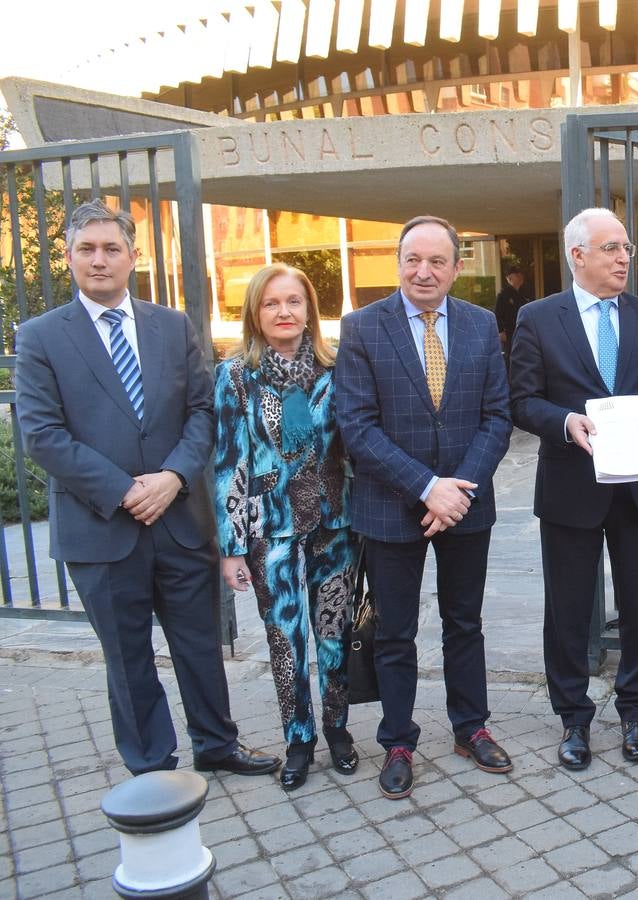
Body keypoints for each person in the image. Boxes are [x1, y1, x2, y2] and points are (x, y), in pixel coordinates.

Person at [15, 200, 279, 777]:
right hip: (102, 527)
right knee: (128, 655)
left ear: (133, 256)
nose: (100, 260)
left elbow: (203, 411)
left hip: (180, 521)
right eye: (87, 249)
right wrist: (125, 490)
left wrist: (173, 477)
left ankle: (217, 745)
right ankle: (152, 764)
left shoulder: (172, 326)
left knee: (200, 646)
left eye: (112, 248)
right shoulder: (41, 338)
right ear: (68, 255)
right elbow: (42, 435)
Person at [333, 215, 512, 800]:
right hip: (390, 507)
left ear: (458, 268)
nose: (424, 271)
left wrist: (456, 489)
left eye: (437, 261)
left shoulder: (483, 326)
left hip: (463, 507)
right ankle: (398, 741)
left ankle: (470, 727)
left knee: (466, 623)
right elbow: (357, 427)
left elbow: (496, 417)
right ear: (398, 262)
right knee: (395, 633)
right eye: (413, 259)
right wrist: (425, 487)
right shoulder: (362, 326)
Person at [510, 208, 638, 770]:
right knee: (567, 611)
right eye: (610, 248)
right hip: (571, 486)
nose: (623, 259)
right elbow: (522, 400)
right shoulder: (538, 318)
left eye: (626, 249)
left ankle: (636, 713)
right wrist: (565, 423)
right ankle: (573, 719)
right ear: (578, 255)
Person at [214, 264, 358, 791]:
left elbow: (355, 442)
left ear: (309, 311)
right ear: (255, 311)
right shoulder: (235, 377)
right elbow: (229, 461)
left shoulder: (337, 368)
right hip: (268, 527)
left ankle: (338, 728)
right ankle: (298, 738)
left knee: (333, 631)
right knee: (285, 637)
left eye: (294, 301)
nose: (284, 312)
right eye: (272, 303)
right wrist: (230, 546)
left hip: (335, 521)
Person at [495, 264, 531, 371]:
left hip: (522, 330)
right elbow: (498, 314)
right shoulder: (504, 295)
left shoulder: (522, 294)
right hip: (509, 332)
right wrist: (501, 331)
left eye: (521, 275)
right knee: (510, 355)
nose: (520, 277)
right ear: (510, 278)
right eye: (517, 275)